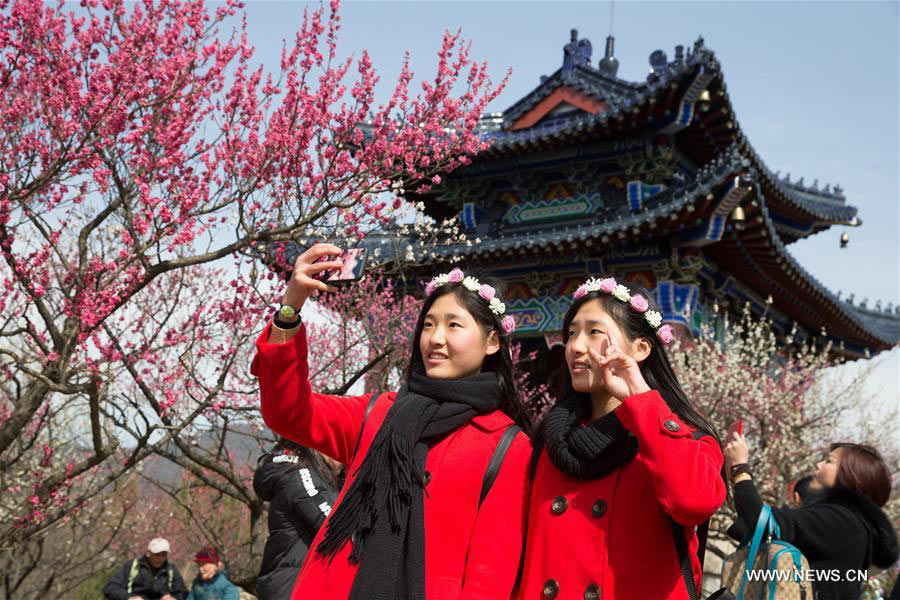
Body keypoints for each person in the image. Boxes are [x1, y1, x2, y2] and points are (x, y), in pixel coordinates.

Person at [251, 243, 532, 599]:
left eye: (453, 325)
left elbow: (489, 574)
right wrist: (289, 310)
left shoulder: (507, 444)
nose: (436, 338)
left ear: (492, 341)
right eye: (428, 324)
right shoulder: (377, 413)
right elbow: (288, 412)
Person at [515, 277, 726, 599]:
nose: (575, 346)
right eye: (571, 333)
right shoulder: (547, 441)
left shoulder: (684, 439)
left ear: (641, 348)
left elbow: (693, 503)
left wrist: (641, 399)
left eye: (594, 332)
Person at [724, 435, 899, 600]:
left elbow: (761, 520)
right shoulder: (854, 523)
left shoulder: (840, 519)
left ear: (852, 476)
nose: (818, 464)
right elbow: (763, 523)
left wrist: (740, 467)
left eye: (829, 461)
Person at [253, 439, 342, 600]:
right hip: (293, 587)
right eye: (338, 447)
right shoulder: (301, 475)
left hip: (288, 583)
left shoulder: (298, 474)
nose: (343, 457)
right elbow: (336, 525)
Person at [103, 538, 188, 600]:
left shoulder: (171, 570)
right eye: (157, 554)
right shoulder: (133, 566)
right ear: (148, 553)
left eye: (164, 555)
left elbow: (183, 593)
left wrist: (173, 599)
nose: (160, 558)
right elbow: (110, 588)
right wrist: (129, 598)